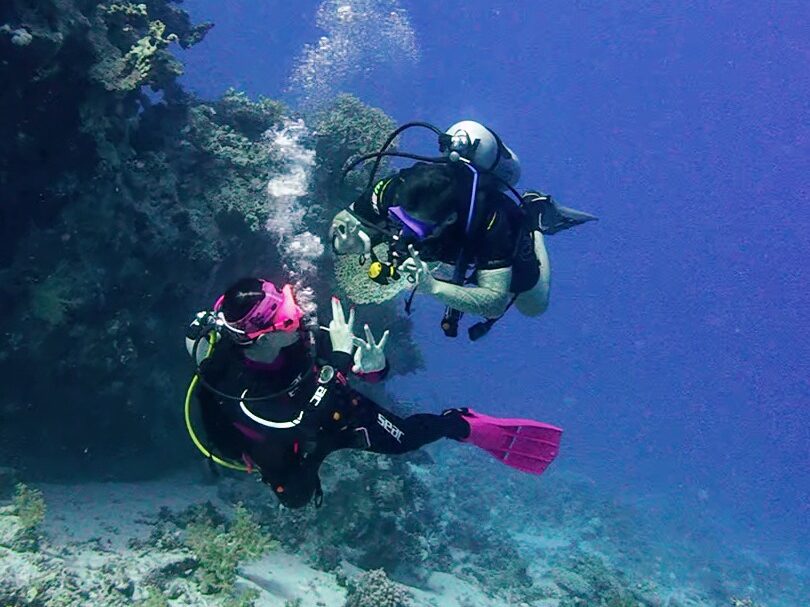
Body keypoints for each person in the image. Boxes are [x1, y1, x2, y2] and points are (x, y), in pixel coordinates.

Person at [184, 277, 562, 508]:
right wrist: (340, 361)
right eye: (286, 317)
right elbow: (293, 425)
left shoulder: (298, 337)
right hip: (287, 440)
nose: (298, 316)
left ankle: (458, 423)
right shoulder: (233, 385)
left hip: (329, 412)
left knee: (404, 440)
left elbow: (364, 374)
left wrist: (375, 366)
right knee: (296, 497)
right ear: (261, 337)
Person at [330, 120, 597, 340]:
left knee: (533, 304)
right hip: (444, 245)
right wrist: (348, 240)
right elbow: (344, 219)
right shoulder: (393, 189)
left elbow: (494, 303)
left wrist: (433, 287)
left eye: (416, 226)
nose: (404, 230)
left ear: (448, 220)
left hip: (482, 241)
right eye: (398, 217)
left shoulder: (493, 222)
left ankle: (534, 215)